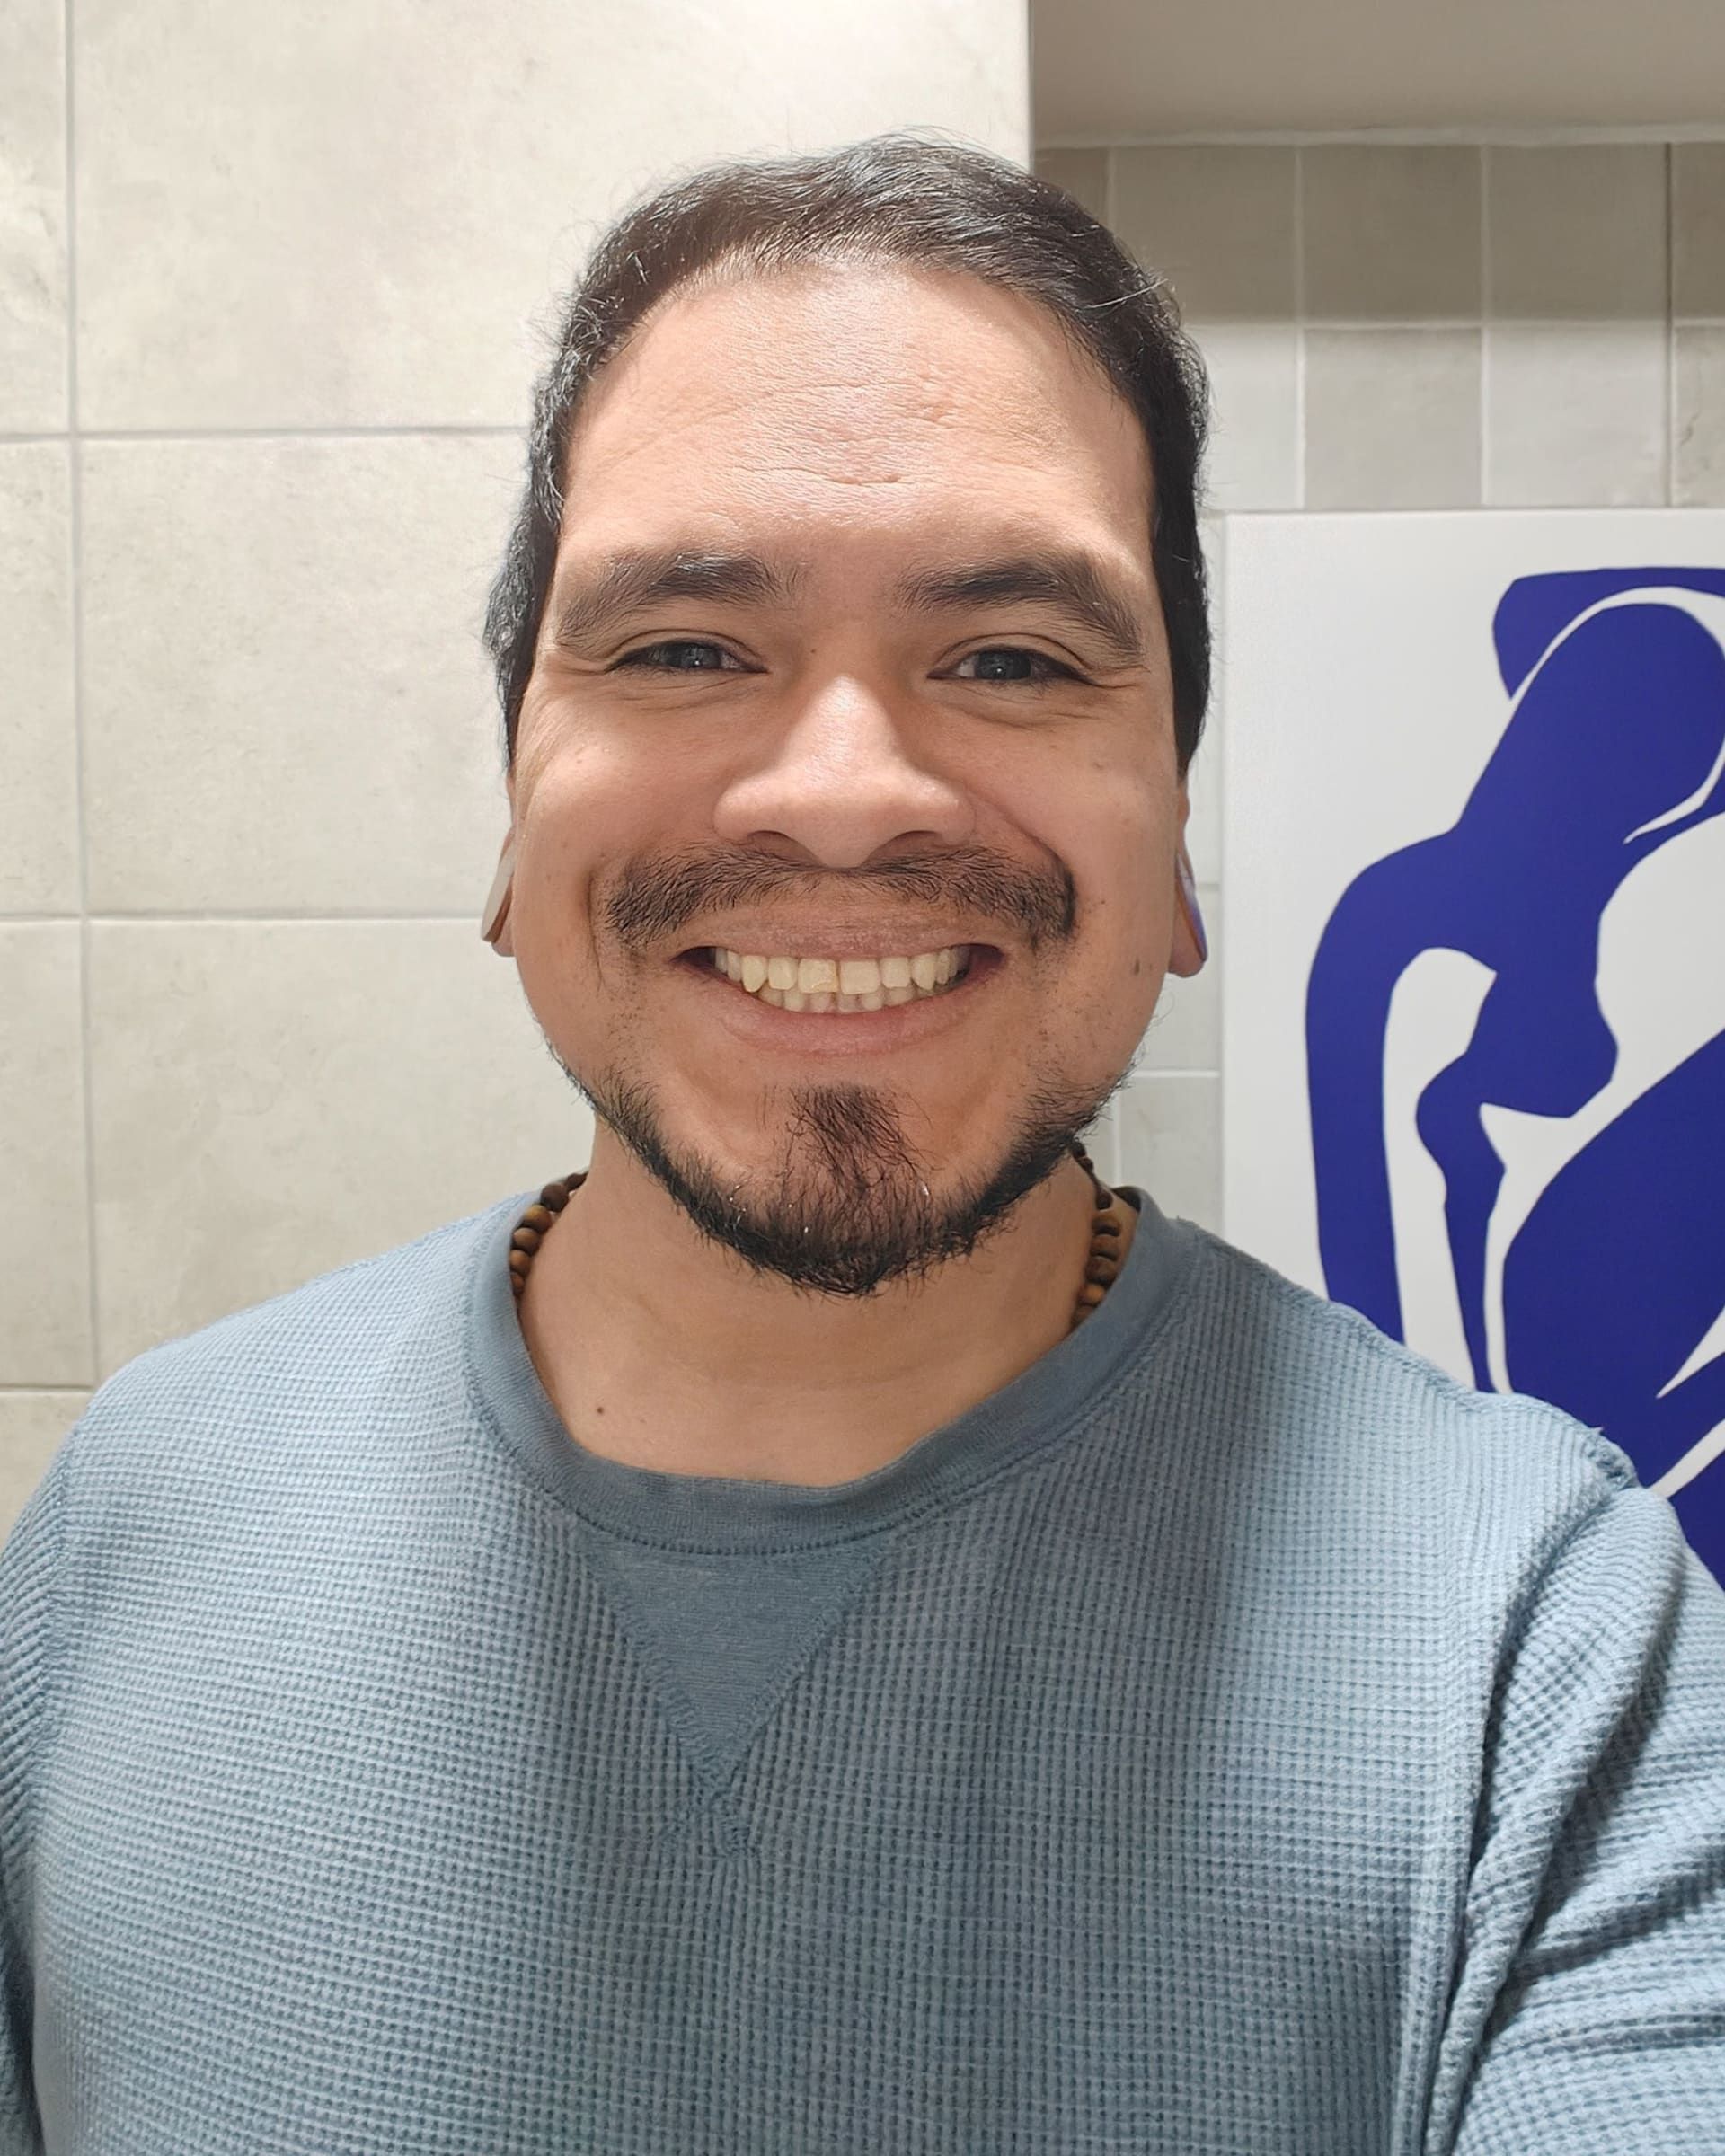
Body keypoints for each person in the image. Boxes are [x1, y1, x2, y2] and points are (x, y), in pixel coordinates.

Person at [1, 134, 1721, 2154]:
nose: (839, 792)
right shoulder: (133, 1521)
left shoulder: (1549, 1658)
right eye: (682, 648)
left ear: (1174, 839)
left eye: (1011, 659)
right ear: (513, 816)